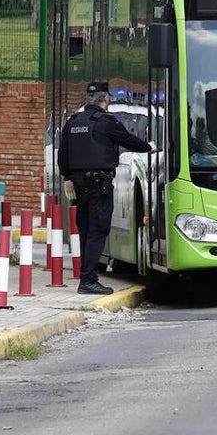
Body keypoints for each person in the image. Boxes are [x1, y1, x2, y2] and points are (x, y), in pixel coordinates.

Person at [58, 81, 153, 295]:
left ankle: (86, 277)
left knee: (85, 229)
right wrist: (149, 147)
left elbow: (62, 153)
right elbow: (128, 140)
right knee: (98, 230)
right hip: (99, 185)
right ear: (106, 99)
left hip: (78, 185)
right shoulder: (107, 122)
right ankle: (88, 280)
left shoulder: (73, 122)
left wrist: (67, 177)